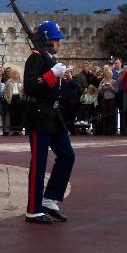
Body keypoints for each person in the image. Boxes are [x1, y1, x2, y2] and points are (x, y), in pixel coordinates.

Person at [23, 20, 75, 224]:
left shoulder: (49, 58)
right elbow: (30, 86)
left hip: (53, 116)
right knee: (39, 162)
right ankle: (33, 209)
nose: (59, 43)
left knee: (67, 156)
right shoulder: (35, 59)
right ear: (46, 39)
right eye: (55, 39)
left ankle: (49, 198)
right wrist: (51, 75)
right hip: (38, 115)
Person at [97, 69, 118, 135]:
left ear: (110, 74)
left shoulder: (114, 81)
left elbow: (116, 91)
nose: (107, 75)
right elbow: (99, 90)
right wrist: (102, 86)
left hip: (112, 99)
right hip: (105, 99)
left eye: (108, 74)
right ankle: (104, 130)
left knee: (111, 115)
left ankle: (112, 130)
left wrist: (111, 86)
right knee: (104, 115)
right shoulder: (102, 81)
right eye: (106, 74)